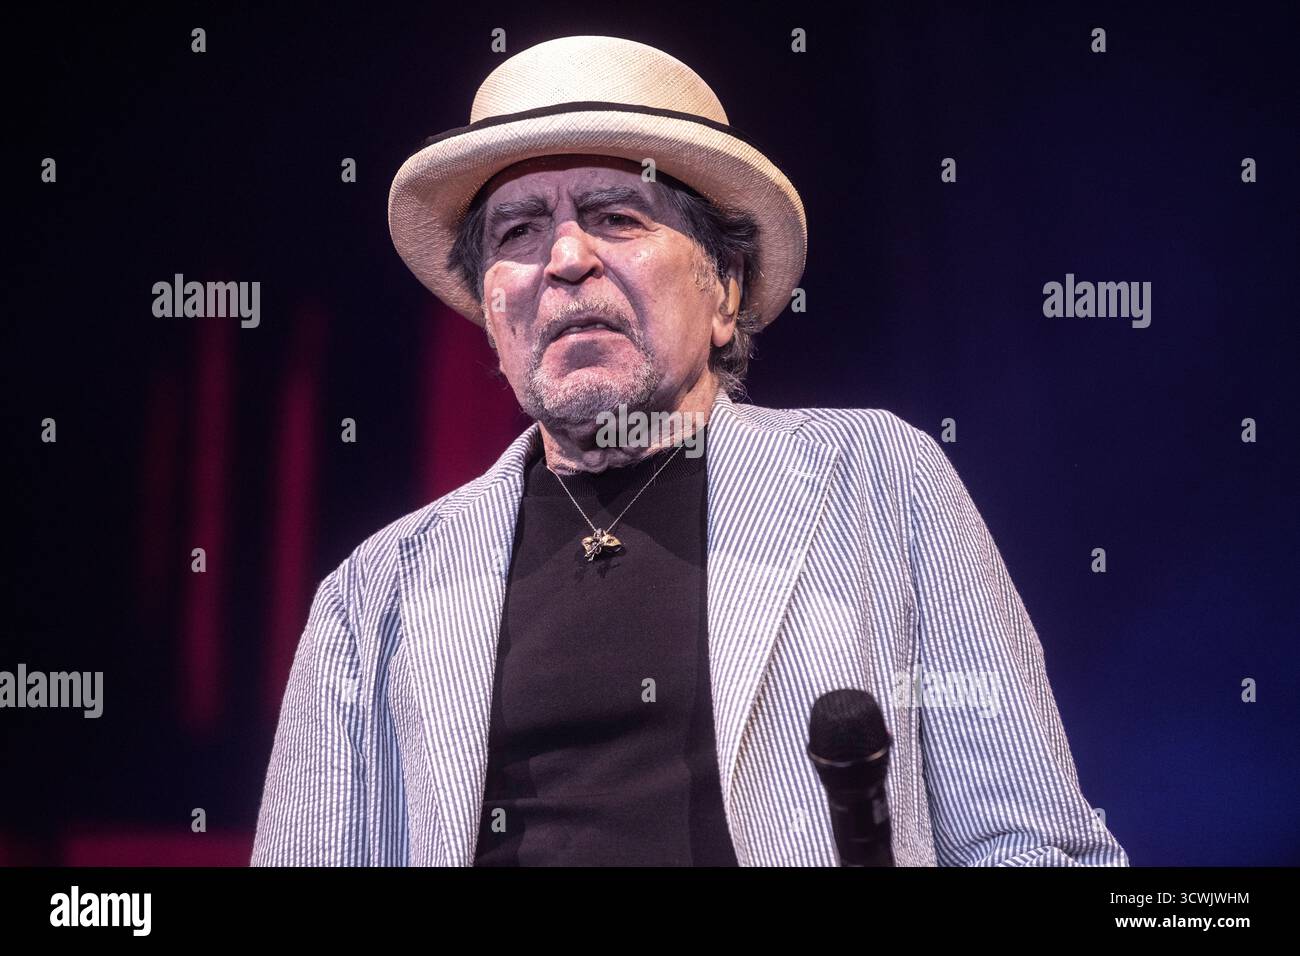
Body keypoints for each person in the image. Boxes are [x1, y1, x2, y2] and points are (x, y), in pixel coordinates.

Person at [250, 34, 1129, 867]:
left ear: (724, 289)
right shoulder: (375, 595)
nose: (564, 257)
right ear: (491, 309)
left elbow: (1030, 841)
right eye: (517, 231)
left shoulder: (877, 482)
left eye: (616, 215)